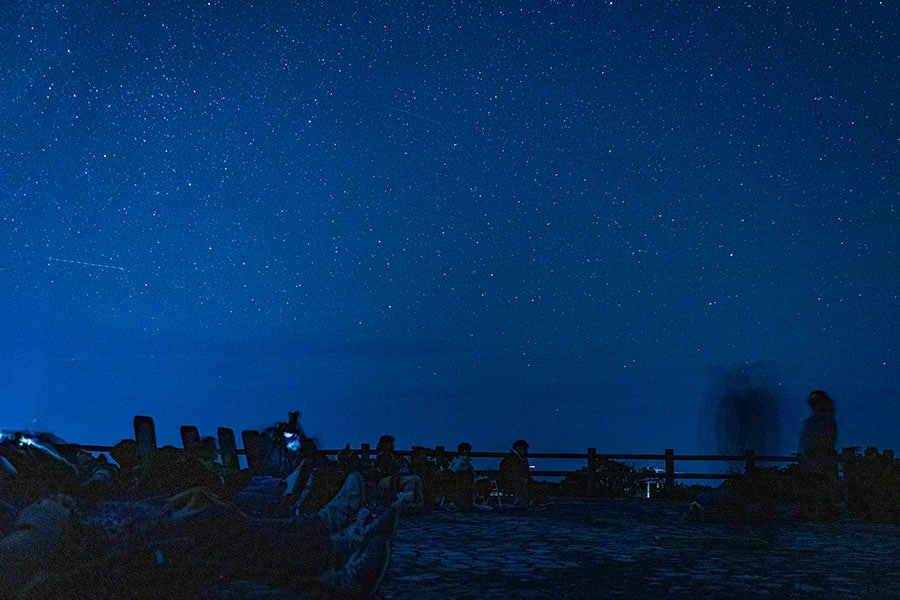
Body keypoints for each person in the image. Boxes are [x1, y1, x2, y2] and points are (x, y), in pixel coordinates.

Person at [798, 390, 838, 521]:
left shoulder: (826, 420)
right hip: (811, 461)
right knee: (815, 490)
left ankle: (825, 516)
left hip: (820, 463)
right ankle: (820, 515)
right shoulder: (813, 421)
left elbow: (826, 441)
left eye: (817, 402)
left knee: (822, 490)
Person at [372, 435, 424, 507]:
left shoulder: (393, 455)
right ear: (382, 444)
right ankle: (405, 503)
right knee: (410, 480)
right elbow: (386, 470)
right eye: (386, 443)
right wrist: (397, 466)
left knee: (417, 478)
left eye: (390, 443)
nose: (388, 445)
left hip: (395, 477)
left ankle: (419, 503)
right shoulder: (382, 456)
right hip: (385, 479)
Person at [498, 439, 548, 506]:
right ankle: (534, 502)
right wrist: (522, 479)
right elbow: (507, 474)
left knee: (534, 486)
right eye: (524, 449)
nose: (526, 451)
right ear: (519, 448)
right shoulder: (511, 460)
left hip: (517, 482)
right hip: (512, 483)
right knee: (529, 487)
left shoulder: (519, 459)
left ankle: (536, 502)